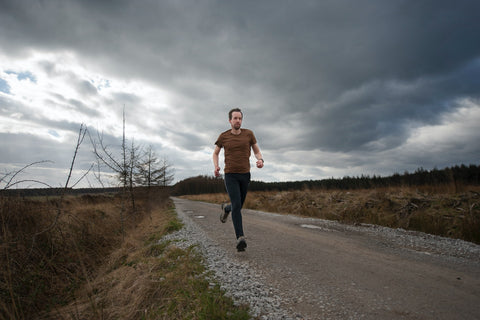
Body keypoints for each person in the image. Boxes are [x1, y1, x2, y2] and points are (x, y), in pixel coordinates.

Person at [213, 108, 264, 251]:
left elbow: (256, 150)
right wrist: (216, 166)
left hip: (245, 174)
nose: (238, 121)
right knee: (237, 205)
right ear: (230, 120)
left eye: (240, 118)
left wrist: (260, 160)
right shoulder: (223, 136)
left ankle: (226, 208)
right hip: (230, 175)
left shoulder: (249, 134)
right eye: (235, 118)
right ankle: (240, 238)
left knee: (237, 206)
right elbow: (215, 153)